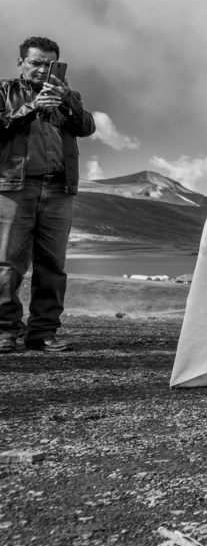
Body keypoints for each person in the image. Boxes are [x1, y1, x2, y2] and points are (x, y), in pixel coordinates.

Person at [0, 36, 96, 354]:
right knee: (8, 263)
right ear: (21, 63)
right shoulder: (5, 91)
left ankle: (43, 333)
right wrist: (31, 108)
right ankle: (5, 332)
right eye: (36, 62)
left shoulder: (67, 96)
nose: (42, 68)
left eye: (49, 63)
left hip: (59, 189)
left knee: (52, 265)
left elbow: (86, 127)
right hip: (15, 187)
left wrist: (67, 99)